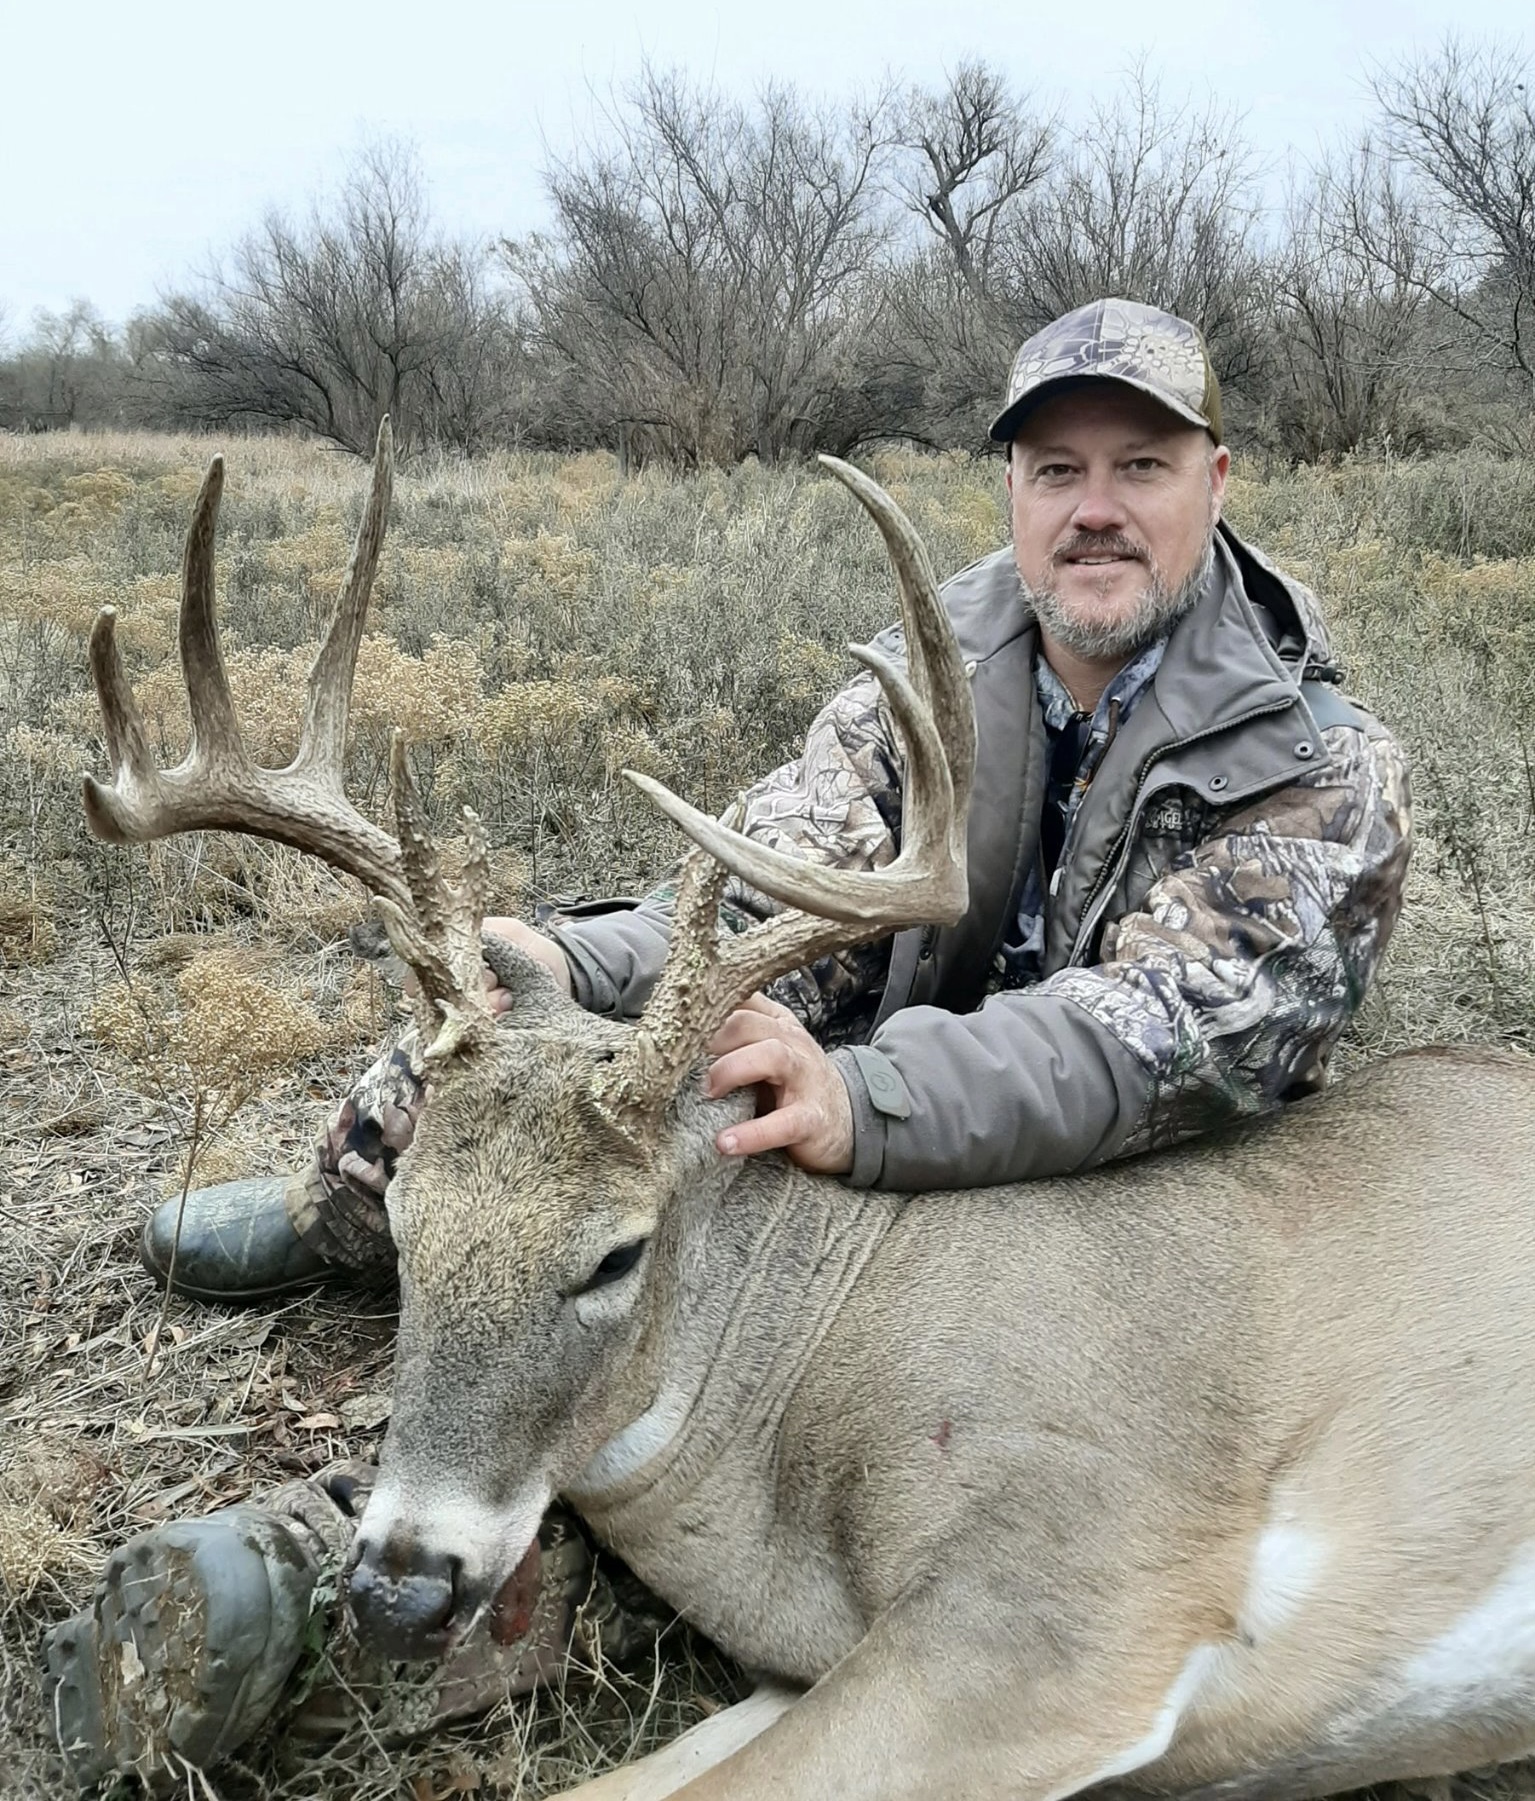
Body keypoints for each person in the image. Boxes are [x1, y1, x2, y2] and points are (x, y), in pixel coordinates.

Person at [43, 299, 1411, 1788]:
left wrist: (868, 1096)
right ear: (1011, 491)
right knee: (503, 1067)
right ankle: (357, 1206)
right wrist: (570, 959)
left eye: (1140, 465)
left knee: (848, 1452)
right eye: (1055, 470)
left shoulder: (1319, 764)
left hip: (1109, 1197)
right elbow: (764, 879)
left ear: (1218, 483)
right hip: (876, 1107)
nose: (1095, 508)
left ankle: (458, 1563)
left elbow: (1154, 1044)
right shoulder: (933, 675)